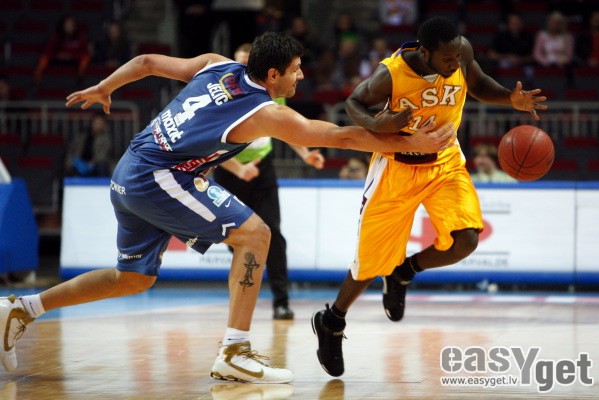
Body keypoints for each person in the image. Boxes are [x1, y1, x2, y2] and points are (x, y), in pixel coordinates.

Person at [0, 32, 457, 383]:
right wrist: (409, 144)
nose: (301, 77)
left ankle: (21, 308)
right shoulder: (265, 113)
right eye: (296, 70)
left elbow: (146, 62)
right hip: (159, 177)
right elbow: (340, 137)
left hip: (131, 167)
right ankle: (234, 352)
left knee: (133, 278)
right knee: (256, 235)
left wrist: (105, 87)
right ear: (273, 75)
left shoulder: (215, 64)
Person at [311, 16, 547, 377]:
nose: (455, 63)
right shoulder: (392, 74)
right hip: (396, 168)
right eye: (447, 59)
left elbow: (478, 83)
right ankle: (331, 321)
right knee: (368, 266)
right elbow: (353, 102)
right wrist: (376, 123)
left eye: (458, 56)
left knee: (466, 239)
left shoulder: (460, 52)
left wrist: (509, 98)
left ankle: (404, 271)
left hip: (444, 162)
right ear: (425, 53)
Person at [214, 43, 325, 320]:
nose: (245, 69)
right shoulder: (225, 94)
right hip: (229, 171)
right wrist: (239, 169)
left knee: (273, 234)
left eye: (248, 63)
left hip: (262, 169)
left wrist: (305, 154)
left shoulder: (273, 94)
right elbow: (209, 146)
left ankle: (281, 301)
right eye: (240, 63)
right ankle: (239, 304)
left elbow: (287, 128)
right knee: (235, 239)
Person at [34, 15, 91, 84]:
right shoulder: (56, 37)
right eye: (67, 25)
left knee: (85, 58)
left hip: (73, 59)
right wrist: (58, 54)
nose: (69, 27)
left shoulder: (79, 37)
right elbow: (48, 50)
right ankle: (36, 79)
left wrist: (71, 55)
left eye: (71, 25)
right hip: (57, 58)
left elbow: (85, 52)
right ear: (63, 25)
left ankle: (80, 78)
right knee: (44, 57)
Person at [65, 112, 115, 177]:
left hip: (95, 165)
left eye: (100, 123)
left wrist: (92, 163)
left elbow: (103, 155)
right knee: (71, 167)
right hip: (80, 163)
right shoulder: (82, 136)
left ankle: (102, 183)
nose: (97, 125)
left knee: (102, 166)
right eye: (96, 123)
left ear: (104, 125)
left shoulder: (106, 139)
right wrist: (71, 161)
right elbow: (72, 151)